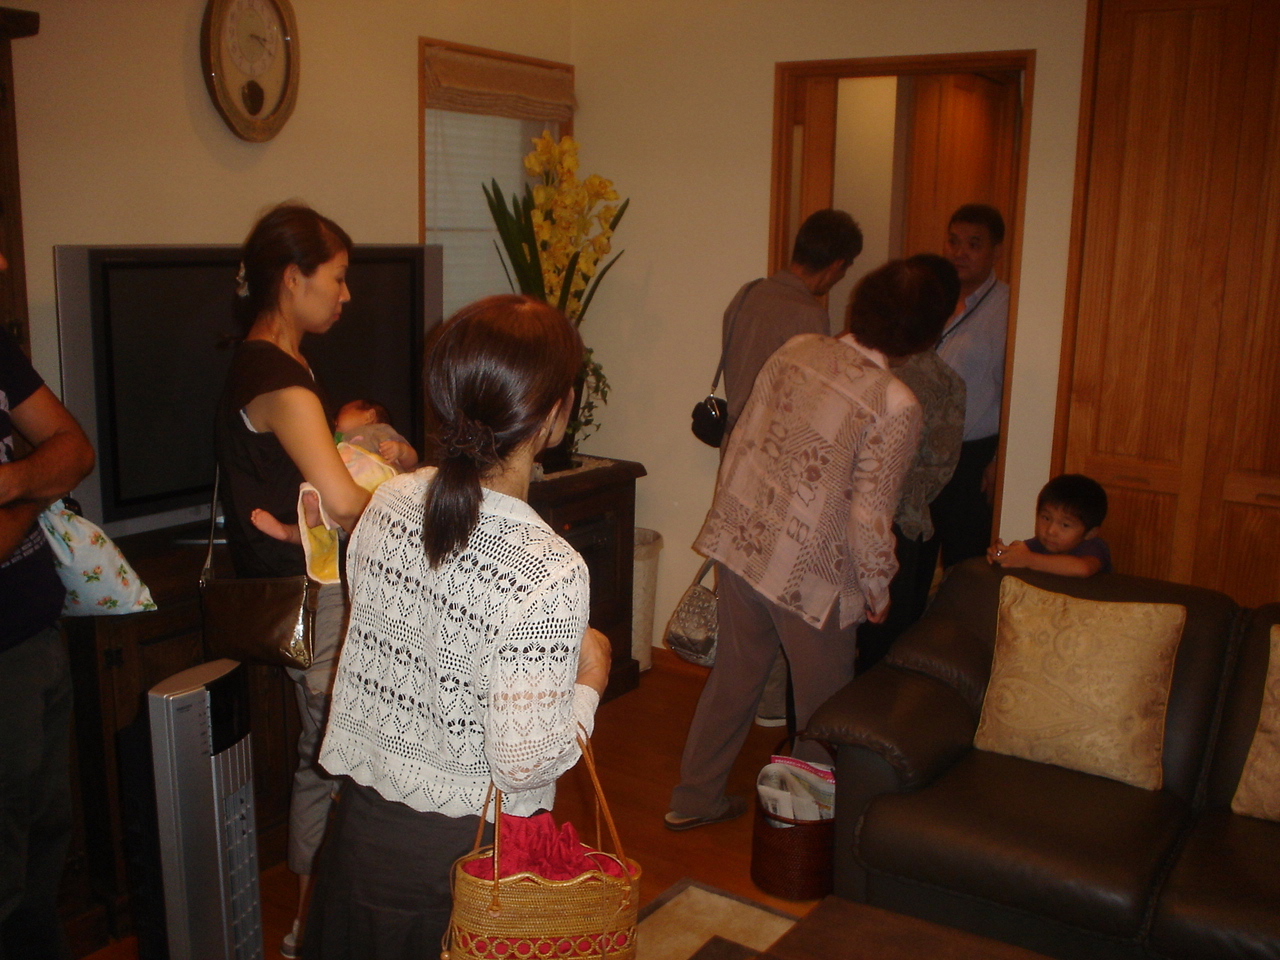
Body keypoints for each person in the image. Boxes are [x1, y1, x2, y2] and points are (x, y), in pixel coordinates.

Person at [303, 295, 611, 959]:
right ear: (557, 412)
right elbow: (522, 766)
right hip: (464, 865)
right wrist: (591, 678)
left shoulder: (388, 501)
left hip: (359, 835)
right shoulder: (548, 568)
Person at [666, 258, 952, 831]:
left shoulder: (798, 349)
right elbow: (870, 516)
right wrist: (879, 587)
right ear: (925, 333)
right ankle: (800, 829)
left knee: (734, 678)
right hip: (811, 575)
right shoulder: (896, 403)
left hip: (744, 543)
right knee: (824, 707)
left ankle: (693, 800)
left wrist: (729, 524)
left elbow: (744, 440)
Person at [213, 203, 373, 958]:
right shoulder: (280, 378)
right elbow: (343, 503)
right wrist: (417, 503)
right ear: (291, 277)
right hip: (315, 596)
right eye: (336, 279)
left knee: (325, 757)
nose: (346, 295)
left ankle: (311, 925)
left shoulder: (265, 361)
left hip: (301, 589)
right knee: (331, 760)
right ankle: (309, 931)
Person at [720, 208, 863, 724]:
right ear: (837, 266)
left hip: (736, 454)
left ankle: (752, 700)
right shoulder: (809, 318)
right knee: (780, 582)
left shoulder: (748, 294)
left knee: (742, 583)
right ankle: (773, 703)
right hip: (781, 463)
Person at [0, 292, 95, 960]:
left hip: (38, 636)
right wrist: (39, 488)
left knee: (44, 841)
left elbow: (76, 450)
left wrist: (12, 486)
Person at [855, 253, 966, 673]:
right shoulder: (946, 382)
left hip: (840, 521)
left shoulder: (854, 364)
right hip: (902, 526)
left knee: (832, 646)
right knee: (888, 650)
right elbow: (941, 464)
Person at [930, 203, 1011, 568]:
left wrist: (999, 459)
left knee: (964, 564)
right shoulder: (933, 298)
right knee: (910, 562)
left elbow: (1014, 394)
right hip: (922, 452)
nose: (960, 252)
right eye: (954, 241)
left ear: (996, 251)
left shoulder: (1008, 309)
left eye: (974, 244)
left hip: (971, 457)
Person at [250, 398, 417, 547]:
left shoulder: (379, 430)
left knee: (331, 518)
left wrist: (401, 451)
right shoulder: (336, 440)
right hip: (342, 494)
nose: (334, 419)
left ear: (369, 416)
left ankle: (303, 525)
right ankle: (289, 532)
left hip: (372, 486)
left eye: (342, 412)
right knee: (322, 515)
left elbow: (411, 462)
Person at [988, 473, 1112, 577]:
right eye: (1046, 518)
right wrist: (1002, 554)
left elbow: (1083, 568)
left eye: (1065, 525)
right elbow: (1020, 551)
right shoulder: (1040, 543)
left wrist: (1028, 559)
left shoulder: (1093, 546)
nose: (1051, 531)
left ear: (1090, 533)